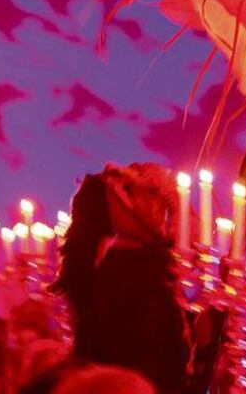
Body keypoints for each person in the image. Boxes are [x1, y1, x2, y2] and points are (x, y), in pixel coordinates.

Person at [51, 163, 189, 394]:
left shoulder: (130, 265)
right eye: (150, 195)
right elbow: (160, 357)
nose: (158, 205)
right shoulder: (134, 269)